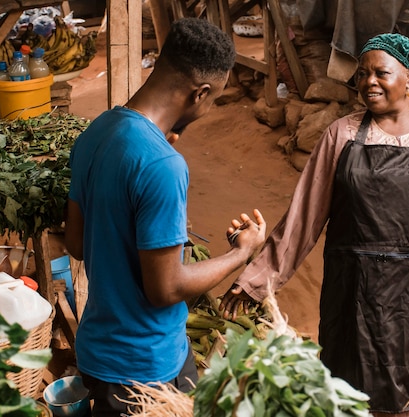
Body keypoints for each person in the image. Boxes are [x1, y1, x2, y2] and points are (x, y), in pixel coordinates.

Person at [220, 33, 409, 416]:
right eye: (362, 74)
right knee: (349, 395)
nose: (368, 82)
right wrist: (254, 281)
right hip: (353, 293)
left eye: (380, 73)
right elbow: (302, 218)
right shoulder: (342, 134)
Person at [64, 18, 266, 417]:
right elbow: (166, 288)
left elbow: (76, 244)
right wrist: (241, 254)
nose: (208, 110)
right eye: (213, 101)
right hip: (143, 370)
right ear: (199, 93)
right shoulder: (162, 165)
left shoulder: (98, 131)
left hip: (103, 353)